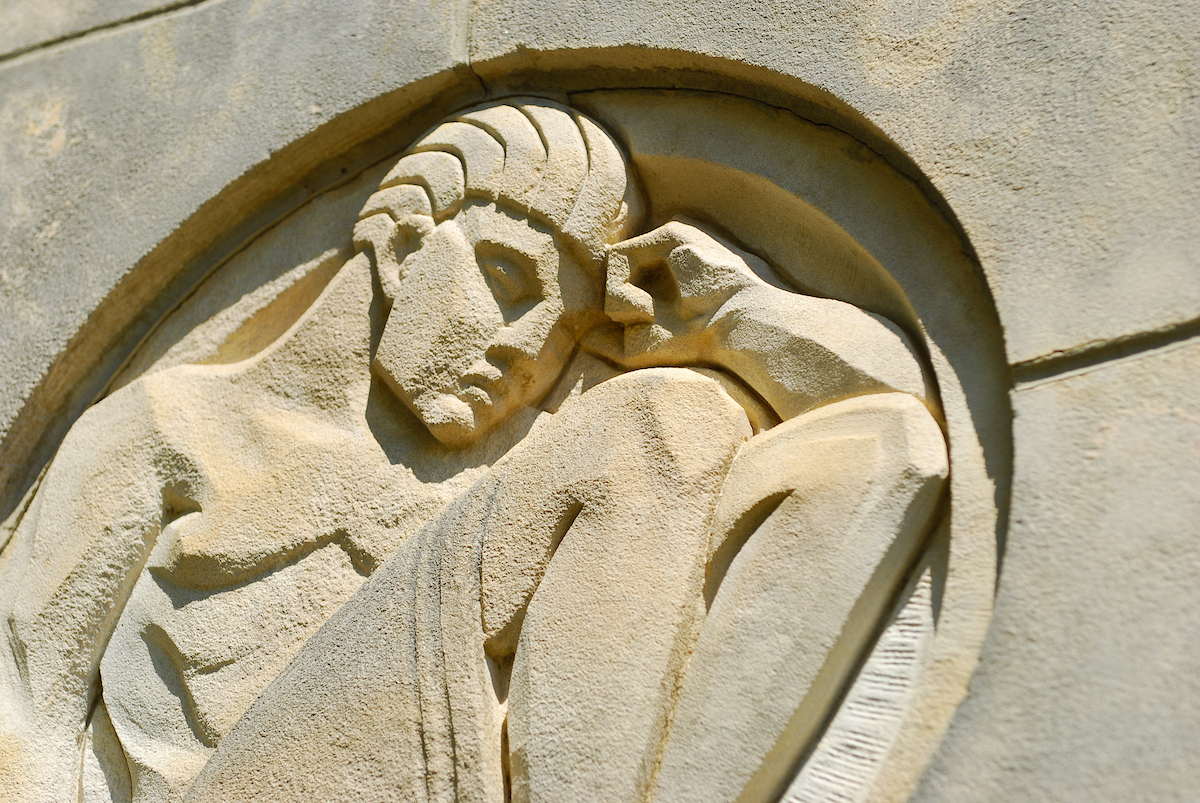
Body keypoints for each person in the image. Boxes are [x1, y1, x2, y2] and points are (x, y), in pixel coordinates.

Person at [0, 98, 945, 803]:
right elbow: (19, 705)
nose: (527, 346)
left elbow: (900, 407)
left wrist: (735, 318)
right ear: (406, 243)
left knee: (875, 450)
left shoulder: (518, 472)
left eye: (565, 323)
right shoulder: (172, 428)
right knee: (659, 421)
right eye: (507, 277)